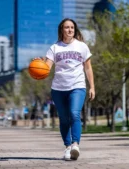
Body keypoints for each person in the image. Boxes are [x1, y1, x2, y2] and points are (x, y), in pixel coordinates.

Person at [34, 18, 95, 161]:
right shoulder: (54, 48)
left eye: (72, 27)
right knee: (63, 118)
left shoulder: (82, 46)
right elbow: (47, 68)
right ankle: (67, 147)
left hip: (77, 86)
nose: (70, 30)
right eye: (67, 27)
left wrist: (92, 86)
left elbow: (88, 67)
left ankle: (75, 145)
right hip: (58, 88)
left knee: (74, 114)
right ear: (62, 29)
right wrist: (39, 65)